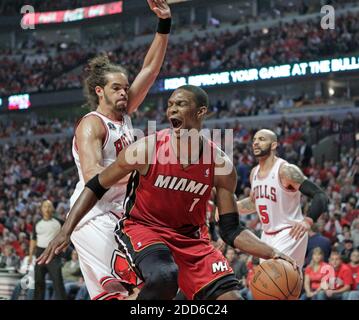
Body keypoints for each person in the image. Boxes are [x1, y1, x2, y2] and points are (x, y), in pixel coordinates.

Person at [38, 85, 296, 300]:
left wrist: (271, 252)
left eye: (180, 104)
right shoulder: (147, 149)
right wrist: (66, 230)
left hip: (192, 240)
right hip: (144, 229)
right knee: (165, 275)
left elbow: (230, 230)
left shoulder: (220, 166)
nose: (172, 108)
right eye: (170, 104)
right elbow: (95, 184)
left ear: (201, 111)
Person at [66, 0, 172, 300]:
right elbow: (93, 176)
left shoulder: (123, 117)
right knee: (133, 287)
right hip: (93, 216)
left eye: (126, 87)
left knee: (140, 287)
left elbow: (150, 69)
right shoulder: (92, 125)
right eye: (117, 88)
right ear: (100, 91)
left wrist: (163, 23)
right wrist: (140, 170)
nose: (124, 92)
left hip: (120, 215)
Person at [236, 129, 328, 267]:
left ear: (273, 145)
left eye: (261, 139)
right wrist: (229, 207)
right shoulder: (254, 173)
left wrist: (307, 221)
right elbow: (254, 203)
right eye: (254, 139)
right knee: (269, 286)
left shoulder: (285, 170)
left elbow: (320, 195)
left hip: (289, 233)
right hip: (266, 236)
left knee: (277, 279)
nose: (255, 143)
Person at [30, 200, 66, 300]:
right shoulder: (37, 223)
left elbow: (67, 234)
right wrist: (30, 255)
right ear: (41, 209)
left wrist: (63, 248)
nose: (47, 209)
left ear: (53, 209)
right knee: (38, 281)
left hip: (53, 254)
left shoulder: (59, 222)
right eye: (45, 206)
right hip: (39, 253)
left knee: (58, 281)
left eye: (49, 206)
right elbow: (33, 240)